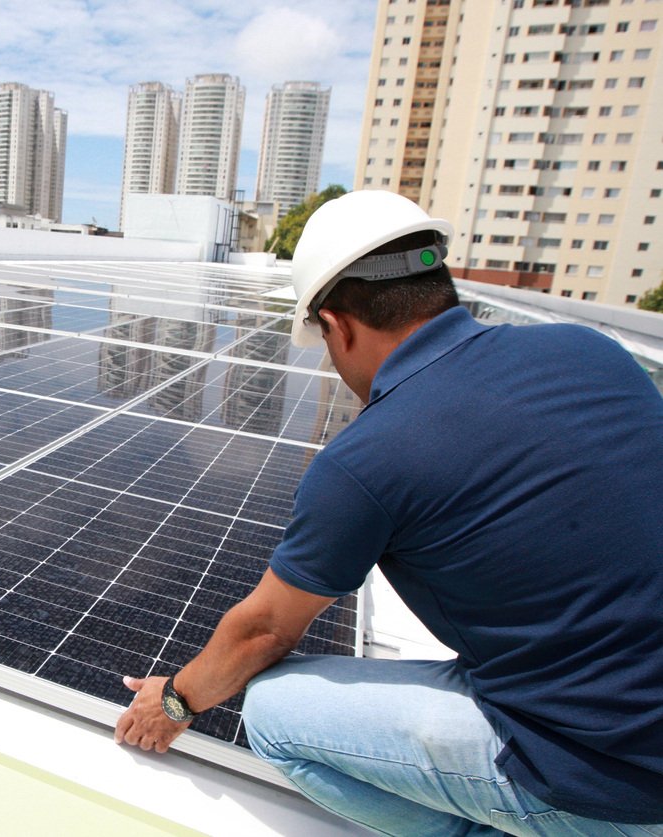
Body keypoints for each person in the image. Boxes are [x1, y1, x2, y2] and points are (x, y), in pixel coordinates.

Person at [113, 190, 663, 835]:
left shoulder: (368, 459)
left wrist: (175, 700)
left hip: (610, 779)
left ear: (337, 325)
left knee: (271, 709)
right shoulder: (589, 351)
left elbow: (264, 631)